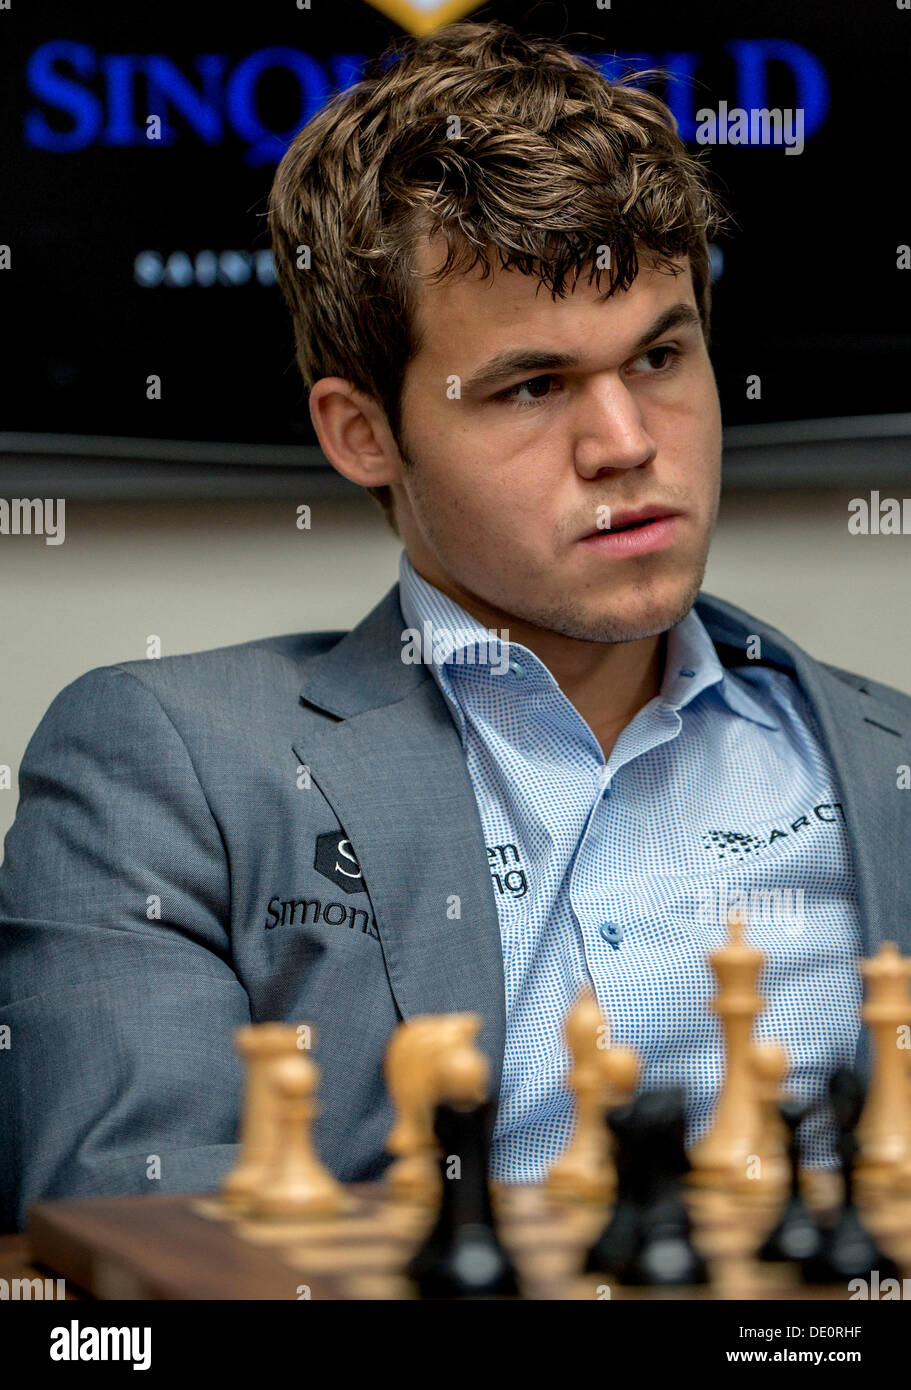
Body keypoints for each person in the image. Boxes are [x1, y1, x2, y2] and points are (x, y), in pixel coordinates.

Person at [1, 21, 908, 1234]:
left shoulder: (881, 755)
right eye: (531, 386)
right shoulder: (169, 766)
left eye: (659, 355)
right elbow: (138, 1228)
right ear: (362, 433)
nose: (626, 443)